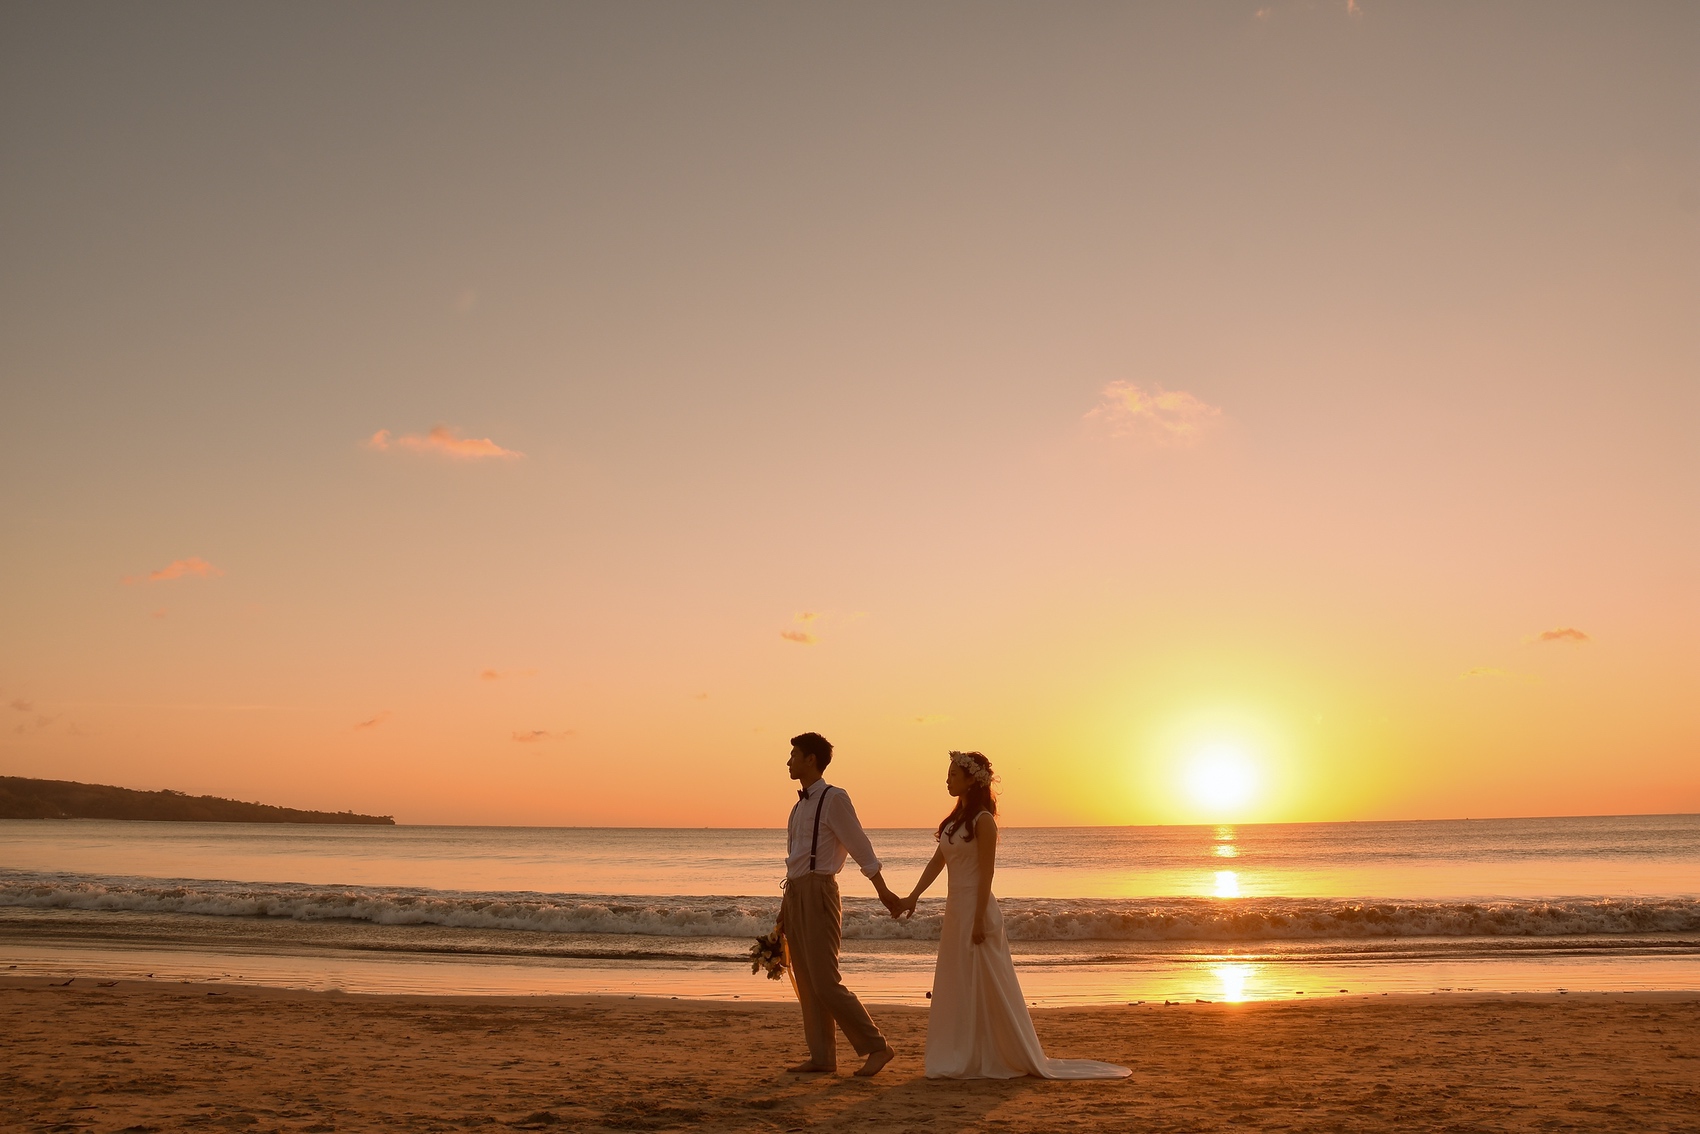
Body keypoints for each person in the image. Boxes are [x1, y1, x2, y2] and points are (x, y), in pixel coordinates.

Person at [892, 751, 1131, 1080]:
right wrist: (913, 897)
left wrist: (978, 920)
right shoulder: (952, 823)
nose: (946, 780)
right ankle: (960, 1052)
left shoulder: (983, 821)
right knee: (958, 982)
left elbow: (986, 874)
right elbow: (937, 863)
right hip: (956, 911)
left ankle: (994, 1054)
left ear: (970, 780)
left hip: (977, 909)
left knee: (987, 982)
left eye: (952, 775)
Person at [781, 731, 900, 1077]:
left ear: (811, 760)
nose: (788, 762)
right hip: (796, 891)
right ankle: (822, 1058)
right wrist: (784, 909)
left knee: (825, 981)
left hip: (820, 892)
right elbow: (795, 860)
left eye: (794, 755)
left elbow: (860, 846)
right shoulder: (798, 806)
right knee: (805, 978)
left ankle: (877, 1046)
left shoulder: (834, 799)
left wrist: (882, 889)